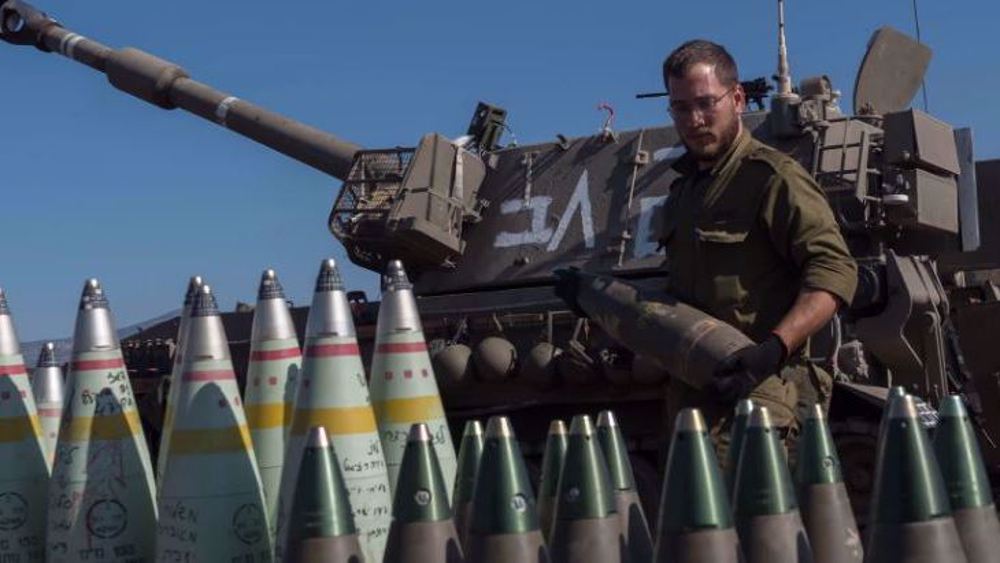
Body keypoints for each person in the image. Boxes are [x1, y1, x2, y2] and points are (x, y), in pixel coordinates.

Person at [657, 39, 857, 459]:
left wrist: (771, 350)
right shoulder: (684, 193)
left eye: (706, 103)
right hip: (696, 410)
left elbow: (835, 272)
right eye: (680, 108)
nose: (694, 120)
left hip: (763, 407)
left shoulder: (773, 177)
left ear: (738, 99)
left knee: (765, 525)